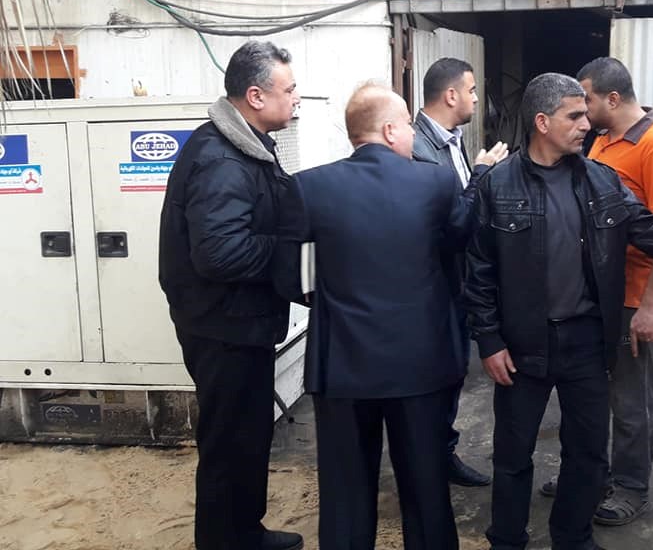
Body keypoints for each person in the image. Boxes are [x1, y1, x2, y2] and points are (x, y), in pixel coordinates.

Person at [461, 73, 653, 550]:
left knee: (588, 454)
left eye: (586, 114)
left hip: (586, 342)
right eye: (574, 116)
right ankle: (506, 539)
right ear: (542, 122)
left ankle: (573, 538)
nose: (587, 124)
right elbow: (479, 270)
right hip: (522, 346)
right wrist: (489, 339)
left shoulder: (601, 182)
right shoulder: (497, 185)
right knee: (513, 456)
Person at [273, 83, 506, 550]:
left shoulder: (309, 186)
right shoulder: (435, 182)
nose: (413, 137)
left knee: (345, 494)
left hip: (342, 367)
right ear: (390, 129)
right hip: (420, 365)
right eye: (408, 126)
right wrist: (479, 178)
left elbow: (286, 277)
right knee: (425, 489)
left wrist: (330, 301)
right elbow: (461, 241)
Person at [158, 40, 303, 550]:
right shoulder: (221, 158)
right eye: (290, 89)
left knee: (247, 436)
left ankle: (245, 532)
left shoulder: (246, 146)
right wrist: (291, 252)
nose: (297, 98)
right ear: (256, 96)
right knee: (229, 442)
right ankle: (226, 540)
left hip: (238, 322)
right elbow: (219, 254)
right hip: (223, 328)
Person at [540, 57, 653, 525]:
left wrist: (650, 305)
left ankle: (630, 486)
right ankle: (589, 473)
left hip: (630, 298)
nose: (581, 112)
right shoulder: (601, 140)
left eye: (586, 100)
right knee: (589, 393)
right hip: (596, 294)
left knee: (629, 399)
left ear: (613, 98)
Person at [412, 57, 492, 487]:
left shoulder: (451, 140)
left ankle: (443, 454)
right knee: (435, 378)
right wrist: (481, 175)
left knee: (453, 373)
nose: (476, 99)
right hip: (433, 288)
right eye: (472, 90)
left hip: (455, 284)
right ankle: (429, 462)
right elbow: (448, 221)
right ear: (450, 95)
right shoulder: (418, 149)